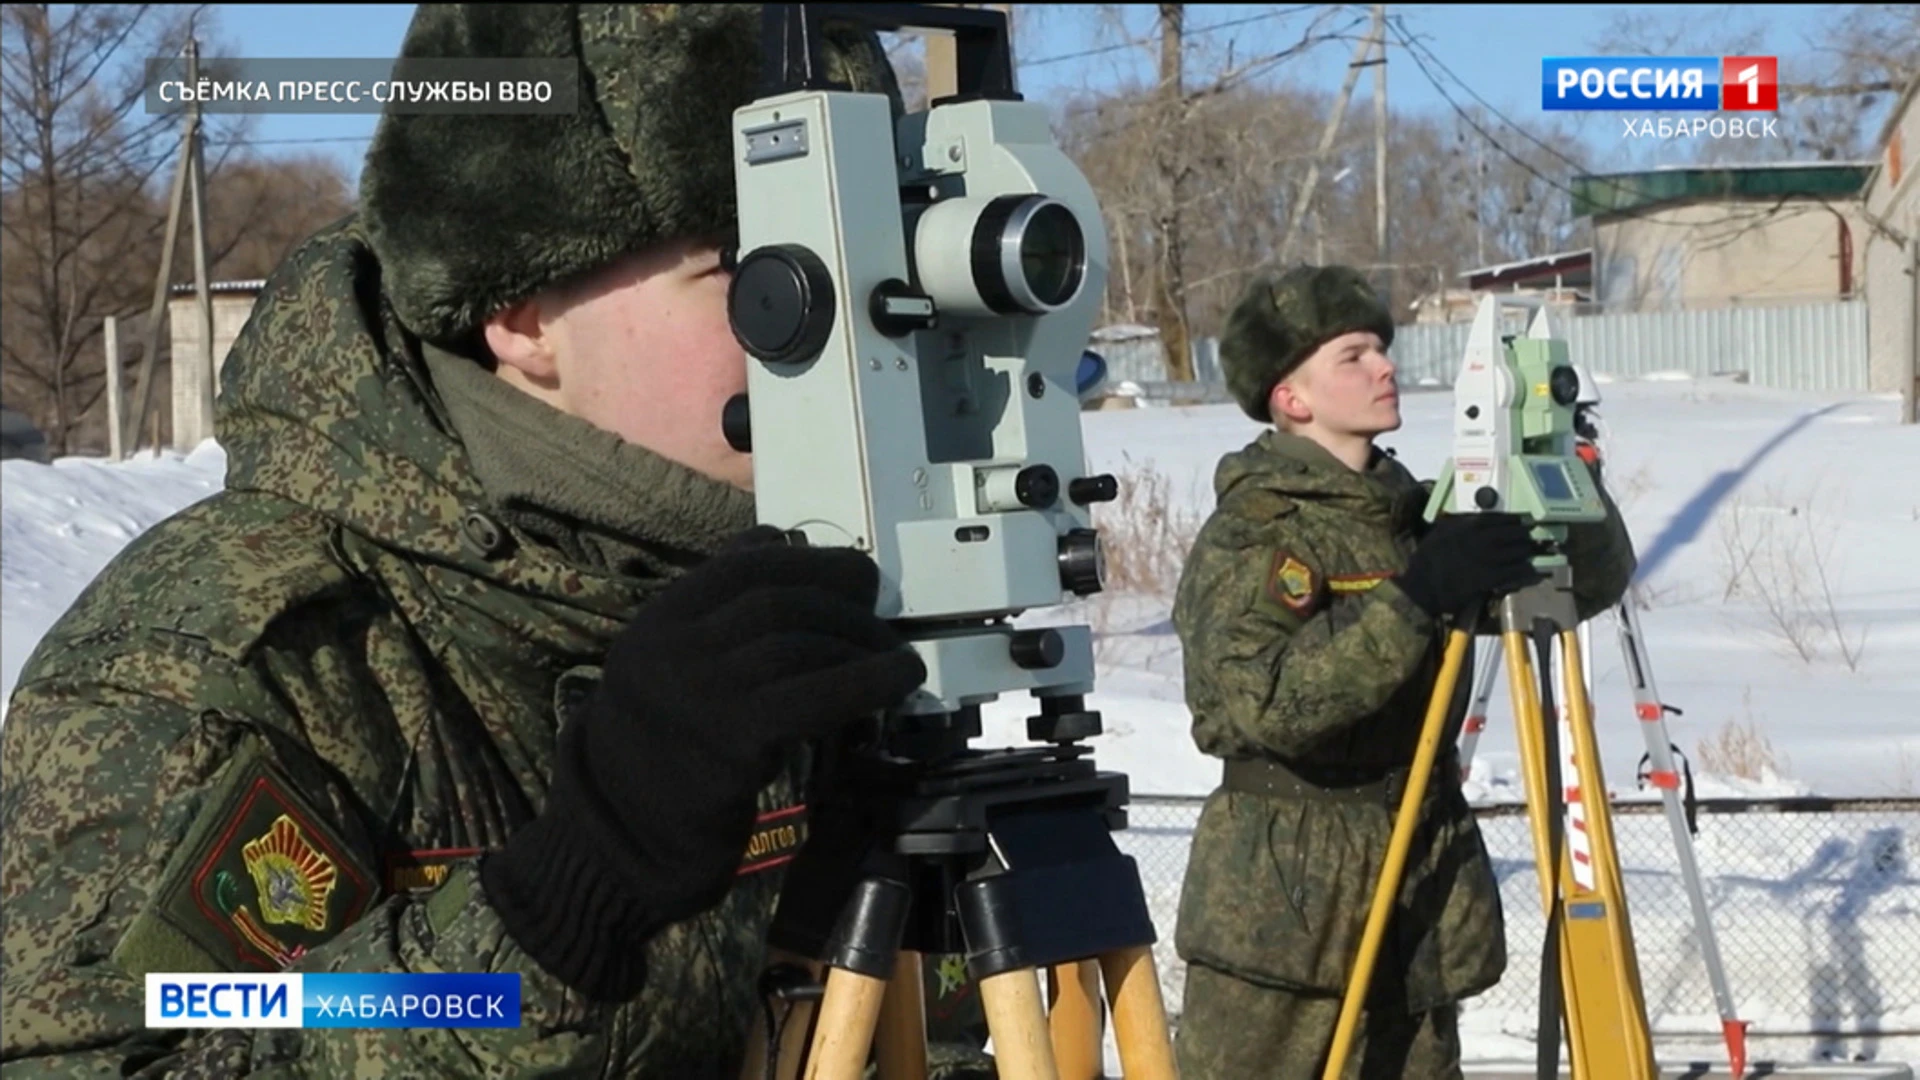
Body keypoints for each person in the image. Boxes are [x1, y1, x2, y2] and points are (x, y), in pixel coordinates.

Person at [0, 6, 991, 1076]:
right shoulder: (234, 666)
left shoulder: (797, 598)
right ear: (519, 313)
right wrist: (563, 907)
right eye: (759, 265)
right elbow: (112, 1058)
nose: (856, 324)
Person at [1168, 266, 1638, 1079]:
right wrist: (1414, 597)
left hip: (1415, 871)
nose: (1384, 367)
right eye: (1353, 356)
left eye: (1381, 349)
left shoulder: (1416, 516)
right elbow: (1259, 706)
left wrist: (1562, 467)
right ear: (1292, 397)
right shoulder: (1254, 531)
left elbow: (1587, 584)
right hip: (1287, 898)